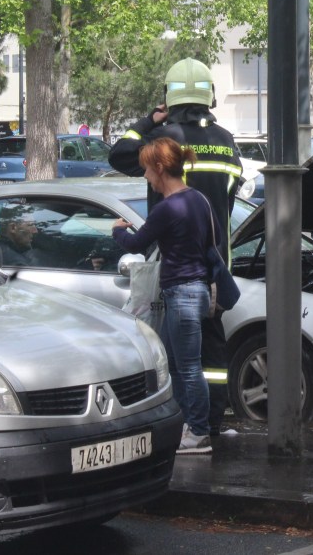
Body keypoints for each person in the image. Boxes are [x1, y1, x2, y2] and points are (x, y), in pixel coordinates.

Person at [110, 57, 243, 436]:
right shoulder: (226, 142)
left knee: (175, 352)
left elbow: (118, 155)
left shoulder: (164, 140)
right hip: (217, 263)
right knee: (213, 345)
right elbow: (230, 201)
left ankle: (186, 422)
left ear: (169, 97)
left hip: (175, 267)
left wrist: (148, 121)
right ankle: (214, 421)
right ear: (210, 95)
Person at [112, 138, 217, 454]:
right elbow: (213, 242)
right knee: (174, 363)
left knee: (187, 367)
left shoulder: (166, 208)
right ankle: (189, 425)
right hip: (195, 290)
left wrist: (117, 229)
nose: (145, 176)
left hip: (181, 292)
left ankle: (199, 432)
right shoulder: (198, 199)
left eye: (146, 169)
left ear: (159, 168)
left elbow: (135, 244)